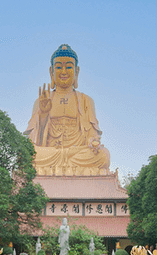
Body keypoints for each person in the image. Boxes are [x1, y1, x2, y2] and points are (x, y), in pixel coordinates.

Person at [24, 44, 110, 176]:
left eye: (69, 67)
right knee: (26, 154)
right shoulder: (41, 100)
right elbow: (35, 141)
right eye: (58, 67)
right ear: (51, 72)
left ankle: (54, 170)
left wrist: (93, 142)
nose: (63, 72)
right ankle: (73, 170)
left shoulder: (86, 101)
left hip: (76, 153)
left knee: (103, 155)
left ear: (77, 71)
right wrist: (43, 114)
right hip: (50, 154)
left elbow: (92, 135)